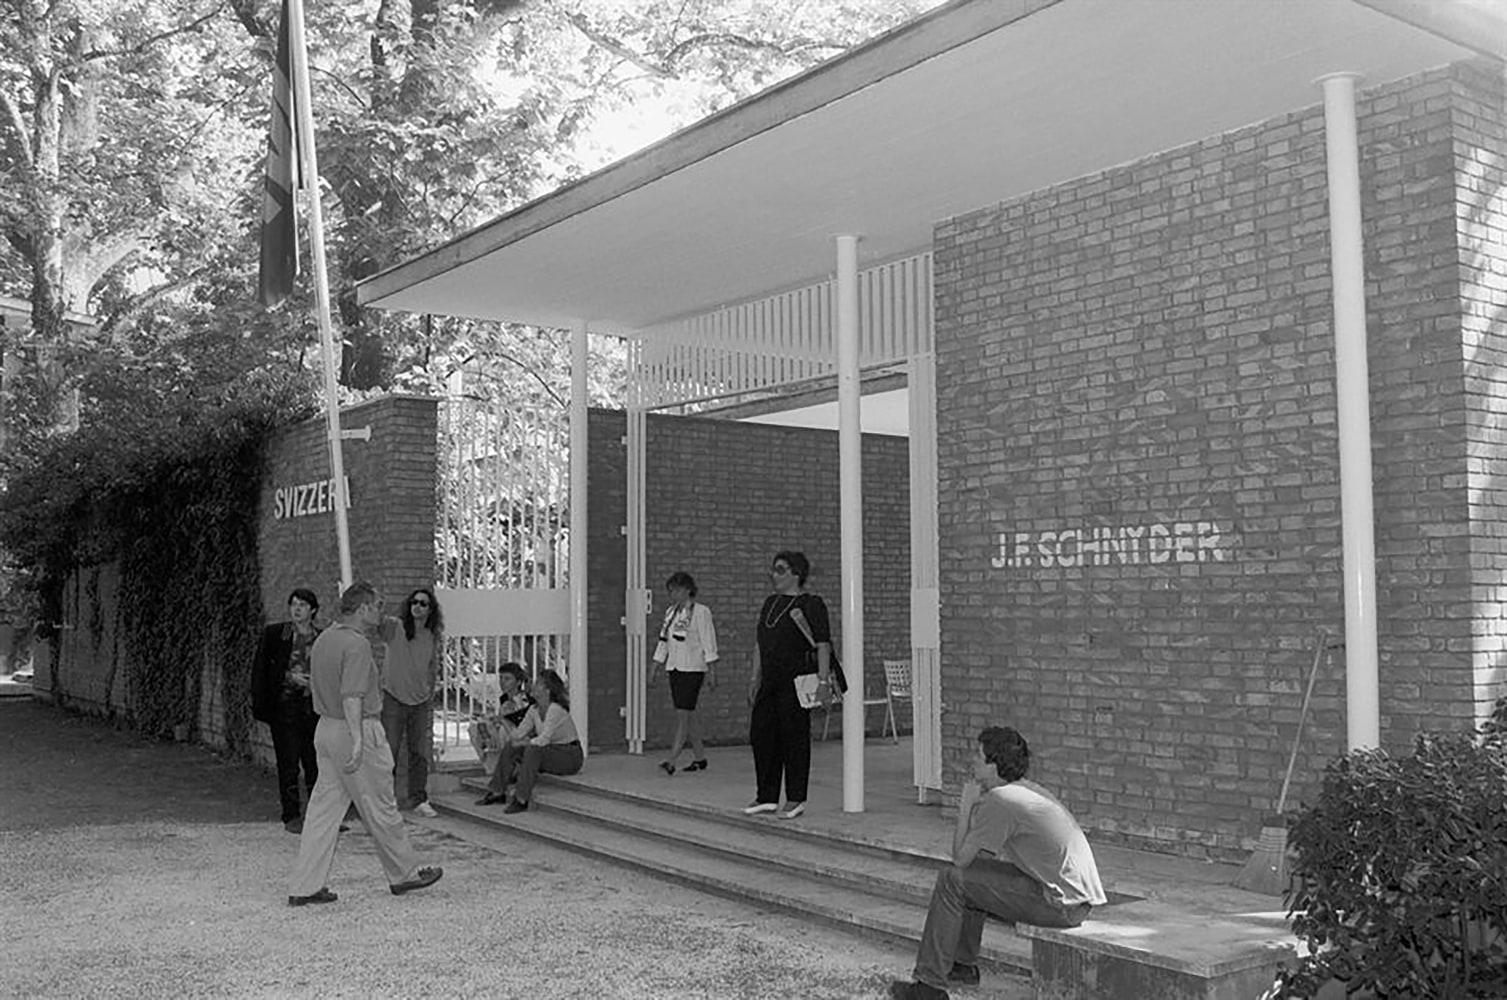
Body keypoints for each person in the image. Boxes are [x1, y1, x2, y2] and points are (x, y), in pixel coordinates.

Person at [889, 727, 1107, 1000]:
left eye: (978, 756)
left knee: (950, 879)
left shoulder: (1001, 800)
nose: (972, 760)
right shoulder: (1023, 790)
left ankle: (928, 987)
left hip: (1060, 905)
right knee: (970, 880)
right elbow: (977, 861)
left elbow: (960, 859)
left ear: (994, 766)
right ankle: (962, 966)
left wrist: (965, 808)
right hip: (1075, 899)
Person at [287, 581, 442, 906]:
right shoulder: (356, 645)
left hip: (326, 729)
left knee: (322, 813)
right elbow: (352, 694)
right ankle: (404, 874)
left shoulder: (326, 638)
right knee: (381, 805)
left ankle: (305, 885)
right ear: (363, 609)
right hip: (354, 729)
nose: (381, 611)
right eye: (377, 605)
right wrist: (358, 740)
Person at [745, 550, 832, 821]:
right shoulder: (770, 603)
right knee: (762, 735)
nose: (774, 574)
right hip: (769, 680)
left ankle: (795, 798)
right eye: (773, 569)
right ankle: (766, 796)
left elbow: (823, 644)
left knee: (794, 739)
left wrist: (823, 680)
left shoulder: (811, 604)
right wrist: (754, 676)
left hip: (796, 681)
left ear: (796, 574)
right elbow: (760, 643)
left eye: (780, 569)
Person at [251, 587, 323, 834]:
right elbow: (262, 670)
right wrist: (289, 677)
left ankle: (319, 816)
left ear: (312, 609)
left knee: (315, 763)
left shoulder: (322, 637)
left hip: (314, 709)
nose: (297, 609)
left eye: (302, 605)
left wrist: (315, 682)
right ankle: (291, 814)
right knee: (288, 763)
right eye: (293, 604)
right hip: (285, 708)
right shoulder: (276, 634)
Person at [474, 668, 582, 814]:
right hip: (549, 751)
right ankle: (497, 791)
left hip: (569, 755)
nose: (532, 686)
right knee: (512, 747)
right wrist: (502, 720)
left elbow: (544, 739)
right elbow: (517, 734)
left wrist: (524, 743)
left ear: (547, 690)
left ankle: (521, 798)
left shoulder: (555, 710)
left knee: (532, 749)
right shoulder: (534, 710)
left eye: (538, 683)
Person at [378, 587, 443, 818]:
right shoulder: (395, 627)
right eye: (414, 602)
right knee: (390, 751)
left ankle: (419, 798)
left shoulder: (431, 635)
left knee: (419, 753)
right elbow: (375, 622)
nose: (417, 606)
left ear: (430, 609)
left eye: (423, 603)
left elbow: (432, 665)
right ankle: (386, 800)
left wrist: (429, 689)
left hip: (420, 702)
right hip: (394, 698)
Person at [650, 571, 719, 775]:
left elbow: (709, 641)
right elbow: (664, 642)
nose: (673, 595)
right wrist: (654, 667)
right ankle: (700, 757)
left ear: (688, 590)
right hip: (675, 668)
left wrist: (712, 671)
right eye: (671, 591)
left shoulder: (701, 612)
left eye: (677, 590)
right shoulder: (671, 613)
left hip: (693, 669)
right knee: (689, 716)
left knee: (682, 715)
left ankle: (671, 759)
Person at [466, 662, 534, 775]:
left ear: (518, 682)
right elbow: (499, 718)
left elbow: (518, 724)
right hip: (506, 730)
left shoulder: (525, 700)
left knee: (501, 731)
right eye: (501, 678)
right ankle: (492, 767)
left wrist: (499, 722)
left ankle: (504, 769)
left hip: (520, 735)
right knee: (474, 729)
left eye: (507, 679)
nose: (502, 682)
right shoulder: (504, 698)